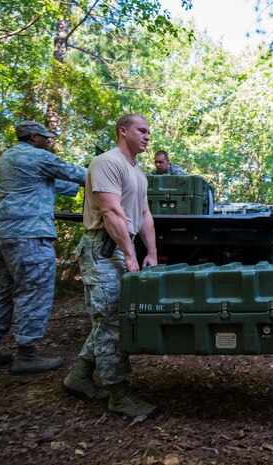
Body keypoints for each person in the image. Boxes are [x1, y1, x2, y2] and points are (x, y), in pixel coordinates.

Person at [0, 121, 87, 376]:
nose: (50, 141)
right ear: (34, 137)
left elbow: (63, 186)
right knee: (34, 289)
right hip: (27, 234)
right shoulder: (37, 156)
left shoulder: (10, 157)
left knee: (1, 289)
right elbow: (83, 176)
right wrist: (104, 169)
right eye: (47, 137)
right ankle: (26, 354)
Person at [62, 114, 159, 420]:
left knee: (111, 317)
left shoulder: (137, 173)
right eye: (141, 130)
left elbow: (143, 213)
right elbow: (110, 211)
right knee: (111, 322)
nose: (147, 136)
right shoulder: (106, 162)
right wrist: (130, 255)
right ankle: (118, 394)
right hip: (102, 248)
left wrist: (151, 252)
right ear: (122, 131)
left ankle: (78, 377)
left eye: (148, 132)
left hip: (119, 248)